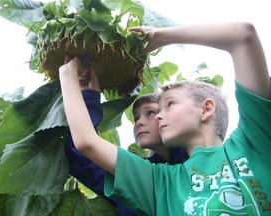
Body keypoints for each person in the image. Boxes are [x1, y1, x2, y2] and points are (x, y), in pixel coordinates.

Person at [59, 22, 271, 215]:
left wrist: (160, 38)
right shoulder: (161, 181)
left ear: (206, 109)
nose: (158, 116)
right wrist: (69, 76)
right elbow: (86, 142)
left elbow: (244, 35)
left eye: (169, 104)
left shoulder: (254, 141)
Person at [64, 62, 188, 215]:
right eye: (136, 118)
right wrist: (89, 97)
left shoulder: (195, 163)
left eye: (150, 113)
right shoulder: (132, 173)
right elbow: (82, 159)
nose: (139, 122)